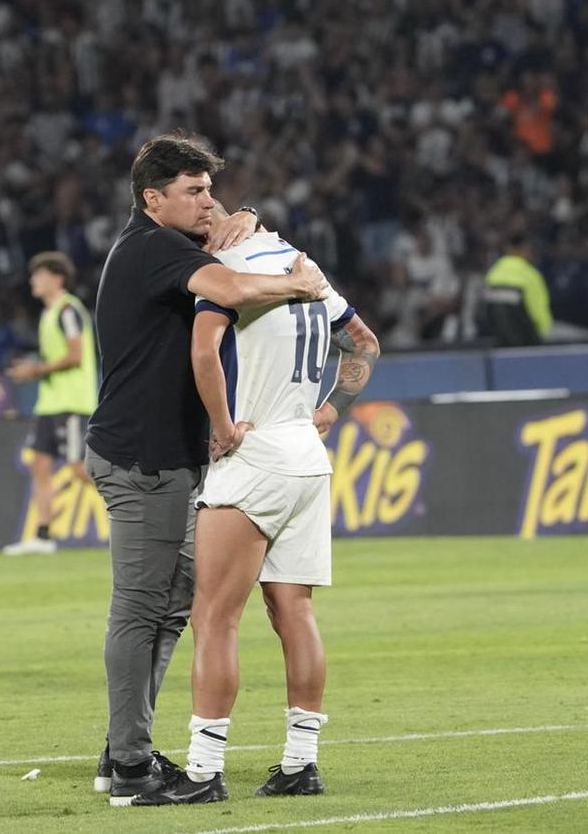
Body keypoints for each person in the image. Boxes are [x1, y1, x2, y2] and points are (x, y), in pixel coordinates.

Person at [84, 133, 328, 806]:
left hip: (168, 457)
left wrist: (236, 217)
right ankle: (129, 760)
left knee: (171, 610)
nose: (207, 201)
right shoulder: (154, 246)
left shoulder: (166, 245)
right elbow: (234, 286)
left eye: (208, 189)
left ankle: (124, 747)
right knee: (141, 610)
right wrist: (298, 281)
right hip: (144, 458)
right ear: (151, 198)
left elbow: (221, 253)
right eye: (192, 191)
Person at [132, 217, 379, 805]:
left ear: (225, 231)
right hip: (307, 458)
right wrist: (334, 406)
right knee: (295, 612)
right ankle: (301, 763)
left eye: (204, 223)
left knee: (214, 616)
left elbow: (203, 351)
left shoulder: (229, 276)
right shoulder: (308, 272)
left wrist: (221, 428)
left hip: (254, 454)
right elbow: (364, 342)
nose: (198, 237)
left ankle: (203, 770)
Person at [5, 251, 98, 555]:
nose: (34, 280)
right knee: (40, 467)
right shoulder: (50, 313)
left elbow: (75, 355)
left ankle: (135, 519)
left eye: (40, 275)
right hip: (49, 404)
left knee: (78, 469)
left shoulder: (68, 310)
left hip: (71, 403)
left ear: (56, 279)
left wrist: (35, 370)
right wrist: (34, 366)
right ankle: (43, 536)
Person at [482, 234, 551, 346]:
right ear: (524, 249)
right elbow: (538, 309)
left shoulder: (492, 275)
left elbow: (487, 311)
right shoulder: (530, 275)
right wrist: (542, 336)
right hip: (528, 342)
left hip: (500, 343)